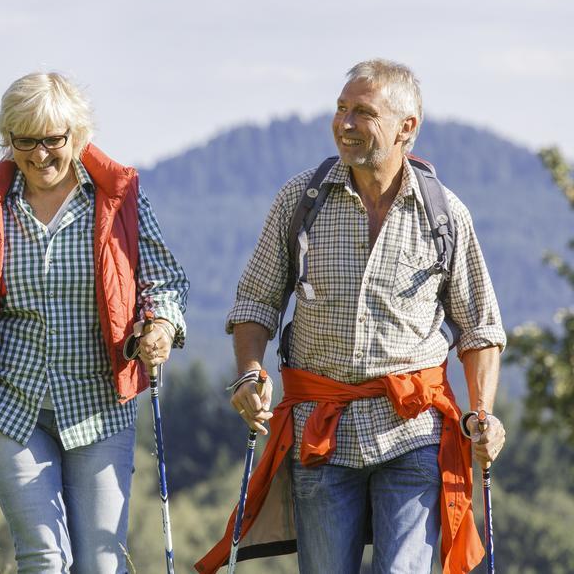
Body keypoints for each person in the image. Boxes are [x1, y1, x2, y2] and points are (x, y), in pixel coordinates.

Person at [195, 59, 506, 574]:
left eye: (363, 112)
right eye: (341, 109)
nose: (344, 123)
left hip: (413, 432)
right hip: (321, 432)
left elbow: (480, 329)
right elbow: (255, 302)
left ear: (407, 128)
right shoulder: (300, 199)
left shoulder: (445, 214)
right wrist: (250, 371)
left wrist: (482, 413)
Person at [0, 71, 189, 573]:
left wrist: (159, 325)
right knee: (43, 556)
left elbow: (165, 283)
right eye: (25, 140)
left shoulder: (118, 200)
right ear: (8, 139)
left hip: (99, 405)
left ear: (78, 136)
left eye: (53, 140)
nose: (39, 154)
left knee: (101, 563)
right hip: (7, 404)